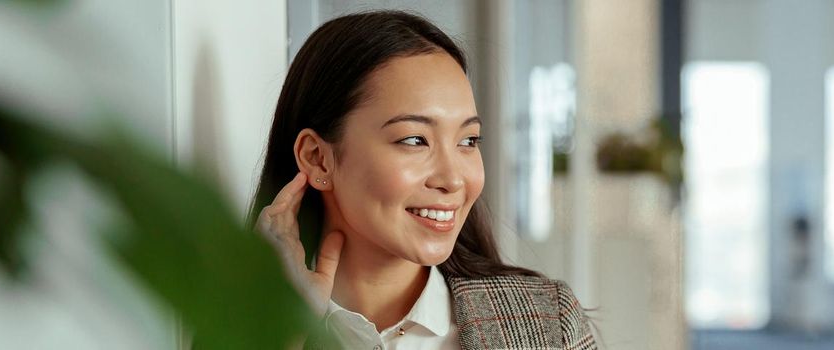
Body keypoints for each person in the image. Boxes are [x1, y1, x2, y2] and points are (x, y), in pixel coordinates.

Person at [249, 10, 597, 350]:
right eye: (415, 140)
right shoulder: (248, 323)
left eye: (468, 141)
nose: (453, 179)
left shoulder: (547, 326)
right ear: (317, 158)